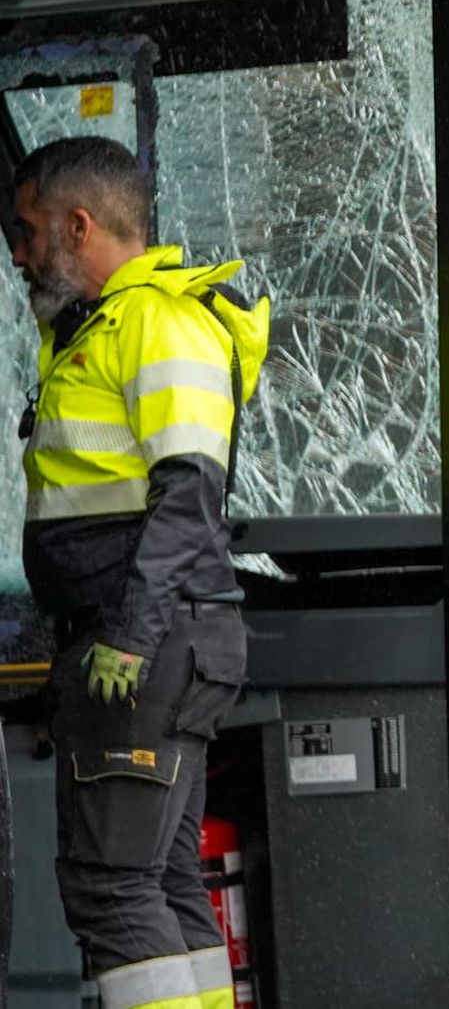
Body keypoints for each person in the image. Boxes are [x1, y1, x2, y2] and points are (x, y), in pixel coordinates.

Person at [10, 137, 268, 1009]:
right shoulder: (107, 328)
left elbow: (189, 492)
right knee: (161, 883)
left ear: (76, 226)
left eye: (26, 230)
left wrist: (127, 633)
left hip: (144, 642)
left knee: (112, 891)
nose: (15, 253)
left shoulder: (158, 321)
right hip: (160, 636)